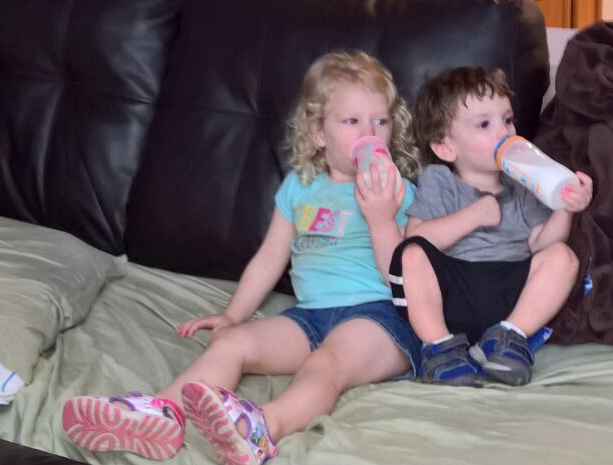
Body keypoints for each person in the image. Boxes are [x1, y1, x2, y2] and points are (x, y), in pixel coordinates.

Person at [62, 50, 423, 465]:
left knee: (326, 364)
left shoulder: (399, 192)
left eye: (381, 121)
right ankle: (162, 413)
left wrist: (381, 216)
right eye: (352, 121)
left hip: (378, 317)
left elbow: (403, 276)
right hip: (310, 316)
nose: (369, 133)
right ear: (318, 132)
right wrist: (233, 315)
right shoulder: (299, 189)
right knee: (232, 343)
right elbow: (270, 258)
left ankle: (262, 429)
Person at [388, 67, 593, 388]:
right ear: (445, 148)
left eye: (507, 120)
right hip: (453, 291)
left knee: (563, 256)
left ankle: (509, 337)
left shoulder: (523, 184)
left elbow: (542, 244)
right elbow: (416, 238)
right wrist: (473, 215)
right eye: (484, 124)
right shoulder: (439, 180)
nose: (504, 132)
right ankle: (439, 348)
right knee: (411, 254)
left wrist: (565, 208)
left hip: (510, 292)